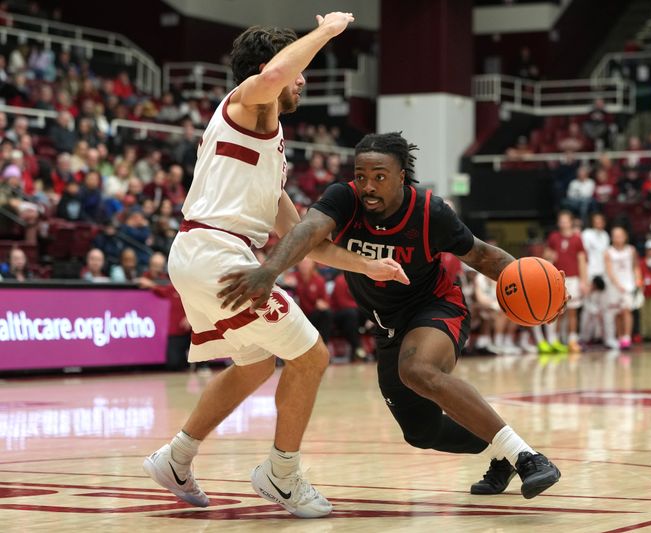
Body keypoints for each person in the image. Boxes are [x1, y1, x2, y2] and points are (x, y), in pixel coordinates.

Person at [142, 15, 409, 520]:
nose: (303, 79)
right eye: (298, 70)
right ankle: (281, 474)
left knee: (257, 363)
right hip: (217, 255)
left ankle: (176, 458)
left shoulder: (268, 147)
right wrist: (327, 32)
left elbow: (303, 239)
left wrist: (368, 267)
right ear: (272, 71)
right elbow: (271, 78)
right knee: (312, 357)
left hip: (206, 253)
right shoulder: (247, 103)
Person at [218, 132, 564, 500]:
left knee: (417, 369)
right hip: (387, 326)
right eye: (361, 175)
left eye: (379, 177)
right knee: (421, 432)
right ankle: (503, 454)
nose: (368, 186)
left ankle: (528, 458)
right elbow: (307, 232)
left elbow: (482, 256)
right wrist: (270, 268)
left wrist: (542, 289)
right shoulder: (344, 199)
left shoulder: (430, 212)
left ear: (402, 176)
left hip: (436, 307)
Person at [546, 210, 587, 353]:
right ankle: (554, 340)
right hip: (557, 279)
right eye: (561, 220)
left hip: (574, 278)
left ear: (571, 222)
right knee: (556, 311)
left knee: (572, 312)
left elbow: (582, 260)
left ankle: (572, 340)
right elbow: (547, 257)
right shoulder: (553, 237)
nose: (563, 222)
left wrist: (584, 280)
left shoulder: (577, 239)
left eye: (566, 220)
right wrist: (550, 256)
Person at [604, 226, 641, 350]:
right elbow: (609, 271)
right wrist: (618, 285)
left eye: (620, 235)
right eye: (615, 235)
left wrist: (638, 280)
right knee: (617, 312)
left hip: (628, 285)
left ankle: (627, 337)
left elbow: (636, 267)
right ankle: (619, 337)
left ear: (625, 237)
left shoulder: (631, 250)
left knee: (627, 310)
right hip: (614, 286)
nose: (617, 238)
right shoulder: (608, 252)